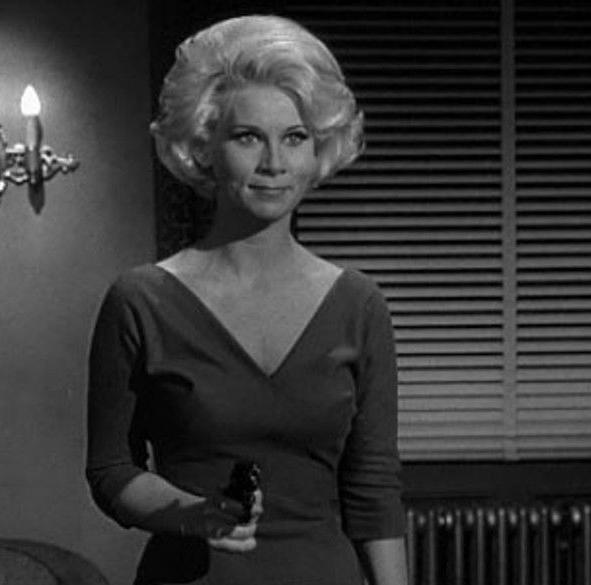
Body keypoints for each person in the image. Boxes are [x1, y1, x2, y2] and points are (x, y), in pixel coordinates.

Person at [86, 14, 408, 585]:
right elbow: (111, 469)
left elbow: (374, 491)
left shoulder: (358, 304)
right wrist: (192, 514)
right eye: (248, 137)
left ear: (319, 150)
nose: (274, 164)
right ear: (203, 146)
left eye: (295, 138)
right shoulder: (140, 300)